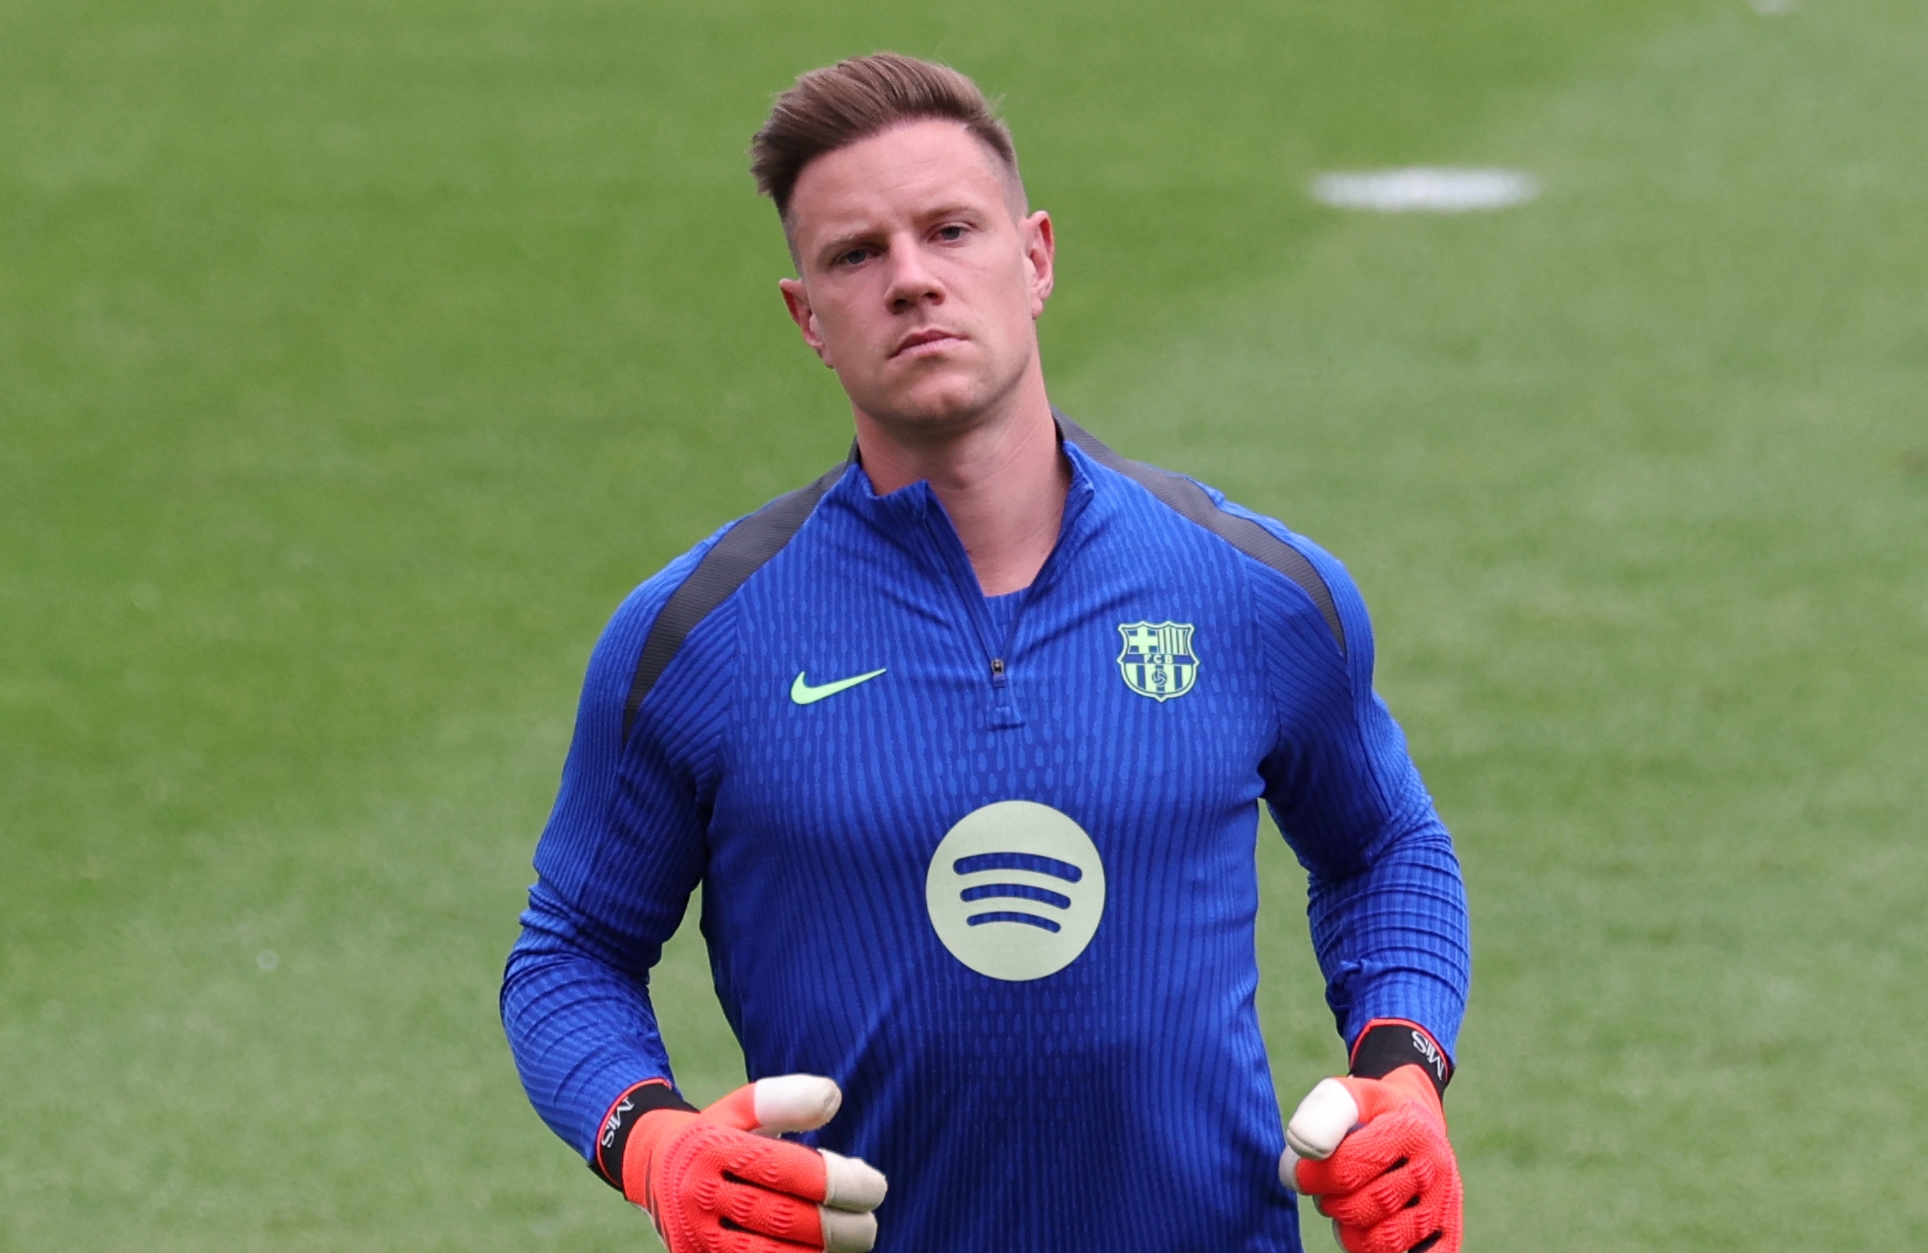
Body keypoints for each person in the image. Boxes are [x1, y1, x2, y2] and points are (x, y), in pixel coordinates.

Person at [502, 52, 1470, 1253]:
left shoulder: (1251, 592)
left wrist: (1402, 1071)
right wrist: (652, 1142)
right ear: (808, 317)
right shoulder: (700, 638)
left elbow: (1384, 846)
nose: (911, 280)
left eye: (949, 230)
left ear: (1035, 257)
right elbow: (571, 952)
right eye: (857, 254)